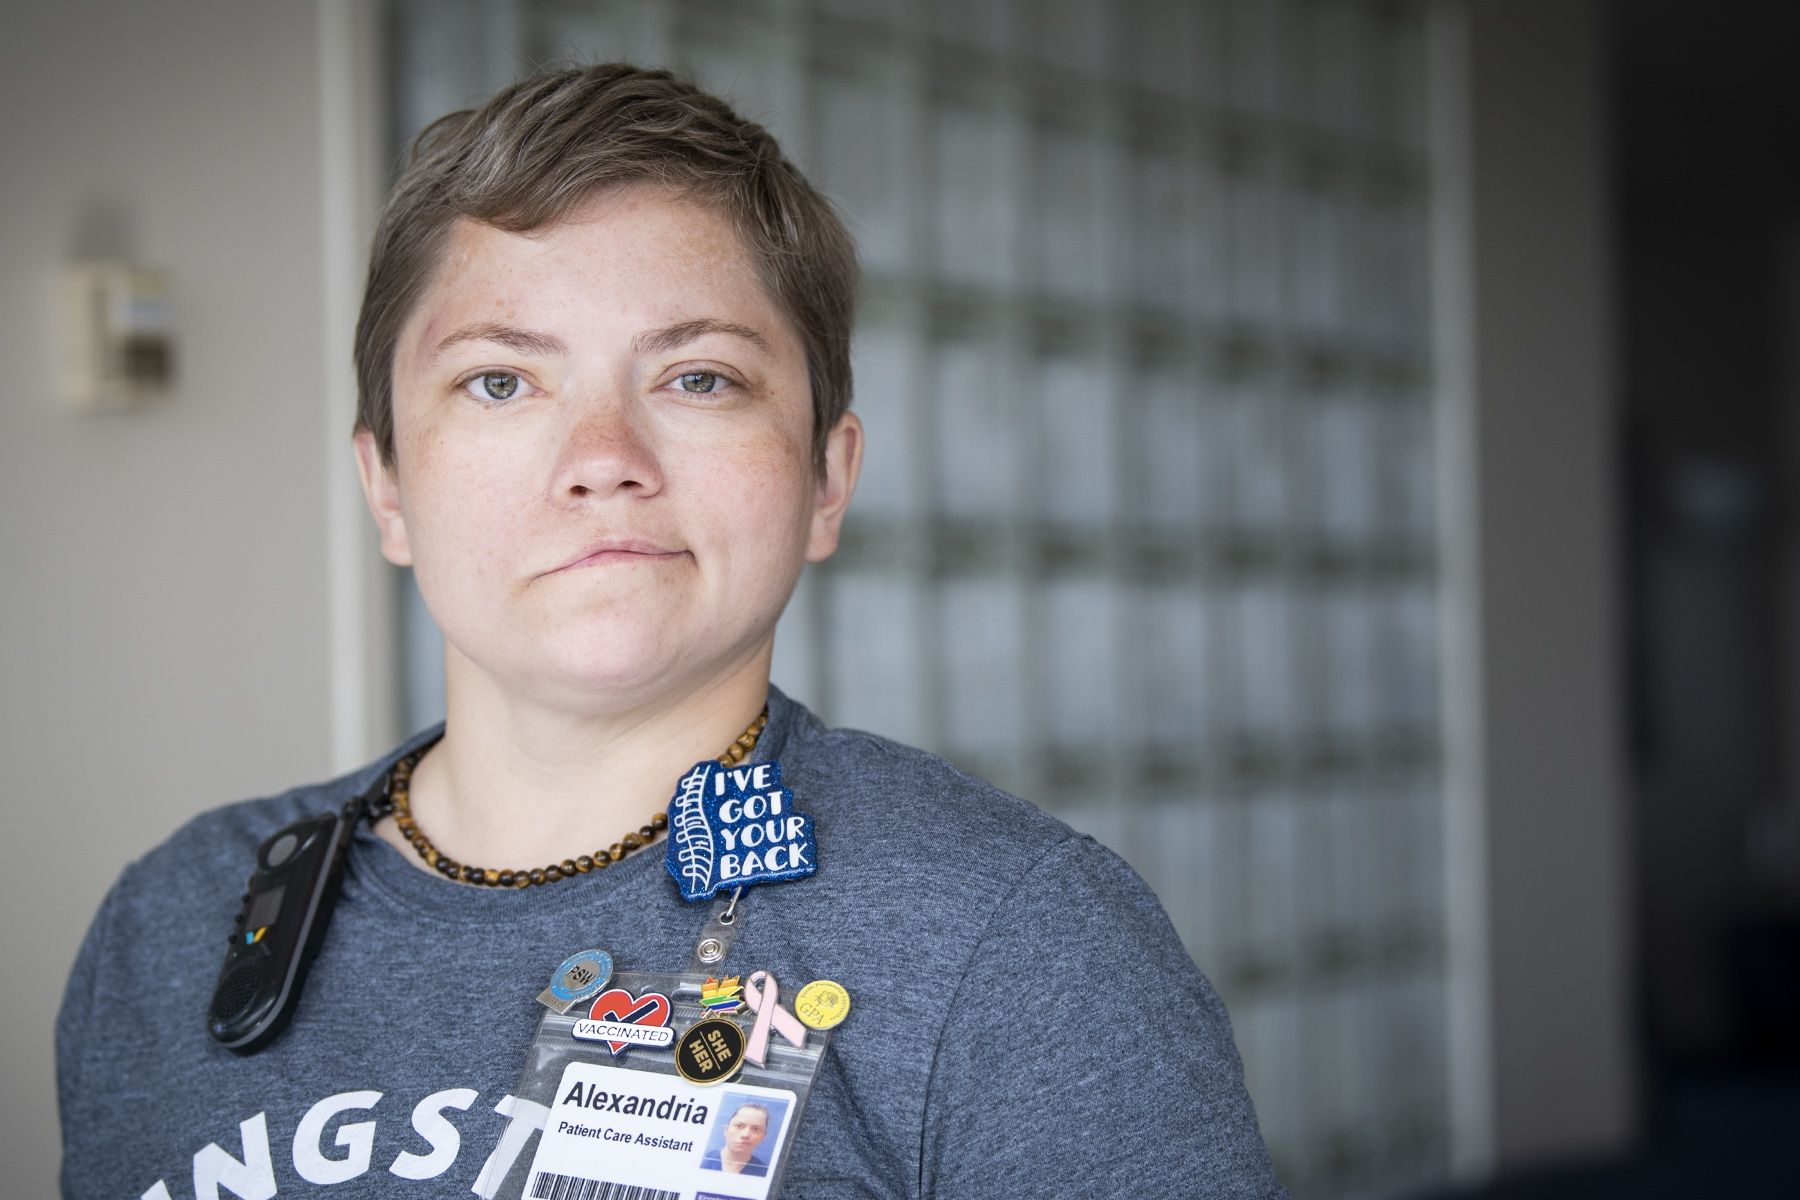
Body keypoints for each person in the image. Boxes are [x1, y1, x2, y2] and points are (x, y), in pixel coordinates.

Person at [56, 63, 1285, 1199]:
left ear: (824, 480)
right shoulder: (175, 920)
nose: (604, 462)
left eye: (698, 378)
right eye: (501, 380)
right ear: (387, 486)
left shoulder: (1023, 945)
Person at [700, 1102, 772, 1177]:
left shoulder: (765, 1174)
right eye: (739, 1126)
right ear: (726, 1130)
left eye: (755, 1129)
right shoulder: (701, 1159)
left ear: (763, 1137)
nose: (746, 1134)